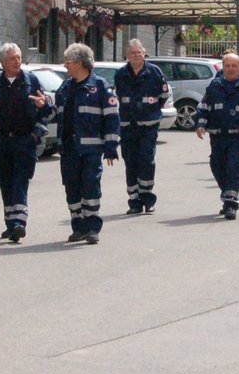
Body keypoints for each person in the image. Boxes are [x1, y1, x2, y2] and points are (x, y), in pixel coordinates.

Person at [0, 43, 52, 243]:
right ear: (3, 62)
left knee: (20, 181)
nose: (17, 61)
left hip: (25, 140)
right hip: (2, 141)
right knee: (5, 181)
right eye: (13, 58)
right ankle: (10, 222)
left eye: (19, 57)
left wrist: (35, 133)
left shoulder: (31, 81)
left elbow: (46, 111)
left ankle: (19, 223)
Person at [54, 43, 119, 243]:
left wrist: (111, 147)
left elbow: (112, 118)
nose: (65, 66)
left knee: (90, 186)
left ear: (81, 63)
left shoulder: (100, 86)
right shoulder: (65, 87)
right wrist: (43, 106)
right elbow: (56, 114)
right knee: (72, 188)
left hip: (91, 149)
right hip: (68, 149)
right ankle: (78, 227)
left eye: (68, 62)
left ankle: (92, 227)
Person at [194, 53, 239, 219]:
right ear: (223, 67)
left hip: (238, 137)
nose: (231, 69)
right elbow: (203, 107)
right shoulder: (215, 85)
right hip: (218, 136)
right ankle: (227, 195)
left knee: (233, 168)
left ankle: (231, 204)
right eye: (227, 66)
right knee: (216, 166)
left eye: (234, 66)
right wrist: (201, 124)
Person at [112, 39, 170, 215]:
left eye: (139, 52)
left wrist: (150, 111)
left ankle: (147, 198)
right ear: (127, 56)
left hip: (148, 126)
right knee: (130, 161)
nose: (136, 55)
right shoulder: (121, 74)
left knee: (146, 159)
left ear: (144, 53)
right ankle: (134, 200)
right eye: (133, 53)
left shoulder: (154, 72)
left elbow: (163, 96)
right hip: (128, 126)